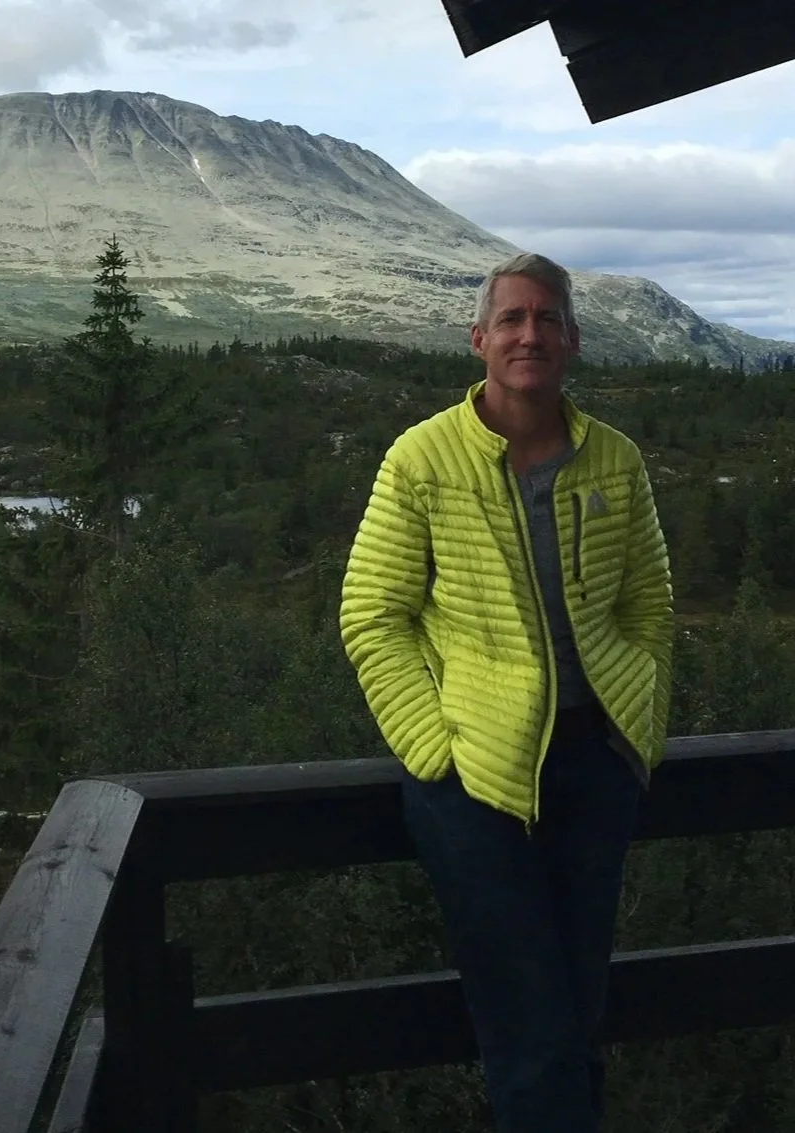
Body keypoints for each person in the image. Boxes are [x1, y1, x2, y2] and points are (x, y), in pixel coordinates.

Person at [339, 251, 674, 1132]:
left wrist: (633, 728)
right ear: (479, 339)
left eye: (548, 319)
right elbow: (373, 614)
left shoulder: (617, 460)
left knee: (578, 1007)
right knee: (530, 1018)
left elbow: (650, 610)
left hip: (593, 766)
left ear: (572, 340)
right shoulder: (422, 457)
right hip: (473, 782)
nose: (531, 334)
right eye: (514, 319)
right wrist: (434, 750)